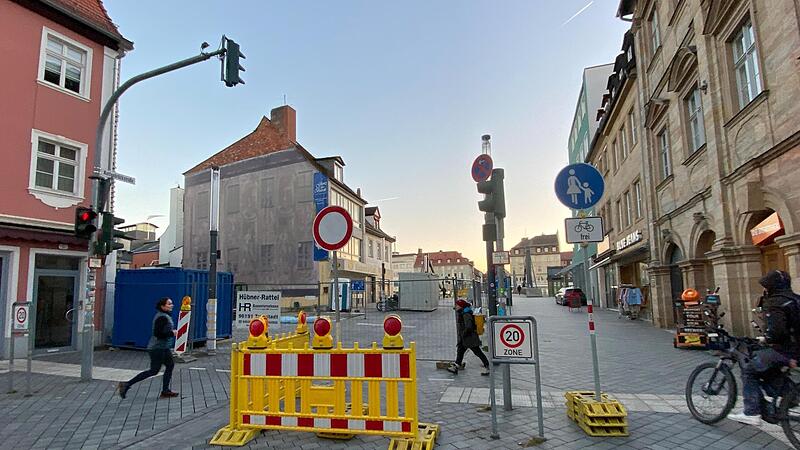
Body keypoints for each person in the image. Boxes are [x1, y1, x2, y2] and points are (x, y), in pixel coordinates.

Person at [728, 270, 800, 425]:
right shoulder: (796, 299)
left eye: (766, 287)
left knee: (749, 370)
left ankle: (752, 412)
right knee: (767, 367)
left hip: (785, 350)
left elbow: (777, 331)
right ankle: (790, 396)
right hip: (795, 350)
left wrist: (766, 338)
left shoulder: (775, 302)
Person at [118, 297, 180, 399]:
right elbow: (158, 333)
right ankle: (126, 384)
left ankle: (165, 391)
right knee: (154, 370)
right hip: (157, 348)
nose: (171, 305)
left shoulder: (164, 316)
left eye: (171, 303)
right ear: (163, 306)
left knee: (170, 365)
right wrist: (172, 333)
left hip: (163, 347)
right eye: (169, 304)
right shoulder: (162, 318)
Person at [447, 299, 490, 375]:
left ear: (461, 306)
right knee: (460, 351)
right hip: (466, 338)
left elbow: (469, 326)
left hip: (469, 338)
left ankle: (488, 366)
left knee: (478, 352)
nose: (456, 306)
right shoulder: (463, 312)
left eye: (457, 305)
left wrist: (464, 334)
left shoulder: (466, 314)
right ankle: (456, 367)